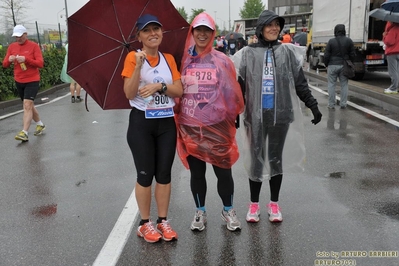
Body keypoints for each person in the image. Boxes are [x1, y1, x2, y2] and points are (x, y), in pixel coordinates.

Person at [232, 10, 322, 223]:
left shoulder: (287, 52)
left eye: (277, 25)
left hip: (280, 116)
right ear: (261, 28)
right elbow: (240, 86)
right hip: (255, 117)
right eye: (269, 25)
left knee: (275, 159)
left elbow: (299, 83)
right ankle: (254, 204)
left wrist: (313, 105)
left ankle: (273, 204)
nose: (274, 28)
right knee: (255, 158)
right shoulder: (247, 53)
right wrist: (236, 111)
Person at [175, 12, 244, 232]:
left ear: (213, 33)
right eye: (198, 30)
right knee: (197, 173)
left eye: (207, 30)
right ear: (192, 32)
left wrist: (232, 118)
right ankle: (200, 211)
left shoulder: (222, 60)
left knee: (223, 171)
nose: (202, 34)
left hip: (217, 127)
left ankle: (228, 209)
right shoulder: (183, 61)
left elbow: (232, 92)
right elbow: (177, 92)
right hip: (191, 128)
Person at [121, 14, 183, 243]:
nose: (153, 33)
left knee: (164, 174)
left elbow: (179, 90)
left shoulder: (168, 59)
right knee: (145, 175)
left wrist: (160, 86)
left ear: (162, 33)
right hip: (141, 123)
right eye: (147, 31)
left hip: (166, 122)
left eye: (156, 29)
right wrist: (138, 67)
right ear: (139, 36)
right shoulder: (132, 58)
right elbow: (128, 93)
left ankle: (163, 221)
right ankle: (145, 224)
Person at [2, 25, 45, 142]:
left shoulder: (34, 46)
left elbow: (40, 63)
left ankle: (24, 132)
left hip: (32, 80)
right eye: (16, 36)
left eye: (20, 36)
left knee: (27, 105)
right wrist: (9, 60)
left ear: (25, 34)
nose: (18, 39)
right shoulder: (12, 47)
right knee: (29, 105)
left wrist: (26, 59)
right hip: (19, 80)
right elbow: (4, 64)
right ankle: (40, 124)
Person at [324, 24, 356, 109]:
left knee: (331, 84)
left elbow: (326, 54)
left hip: (332, 65)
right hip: (344, 65)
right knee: (344, 85)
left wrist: (326, 64)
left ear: (335, 31)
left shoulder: (331, 41)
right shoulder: (349, 41)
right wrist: (351, 63)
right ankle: (343, 104)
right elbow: (353, 54)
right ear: (344, 31)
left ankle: (331, 104)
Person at [382, 21, 399, 94]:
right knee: (398, 71)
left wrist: (384, 36)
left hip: (392, 52)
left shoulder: (393, 29)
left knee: (393, 71)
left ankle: (393, 88)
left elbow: (389, 41)